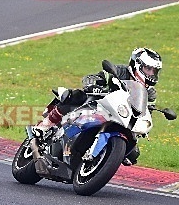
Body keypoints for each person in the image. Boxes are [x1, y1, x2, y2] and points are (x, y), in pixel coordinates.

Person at [32, 47, 163, 166]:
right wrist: (92, 84)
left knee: (133, 153)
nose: (151, 74)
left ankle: (105, 158)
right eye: (148, 69)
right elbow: (93, 77)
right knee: (74, 96)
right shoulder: (119, 71)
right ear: (136, 65)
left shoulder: (150, 93)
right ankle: (45, 126)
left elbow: (146, 111)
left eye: (155, 71)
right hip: (98, 104)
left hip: (121, 118)